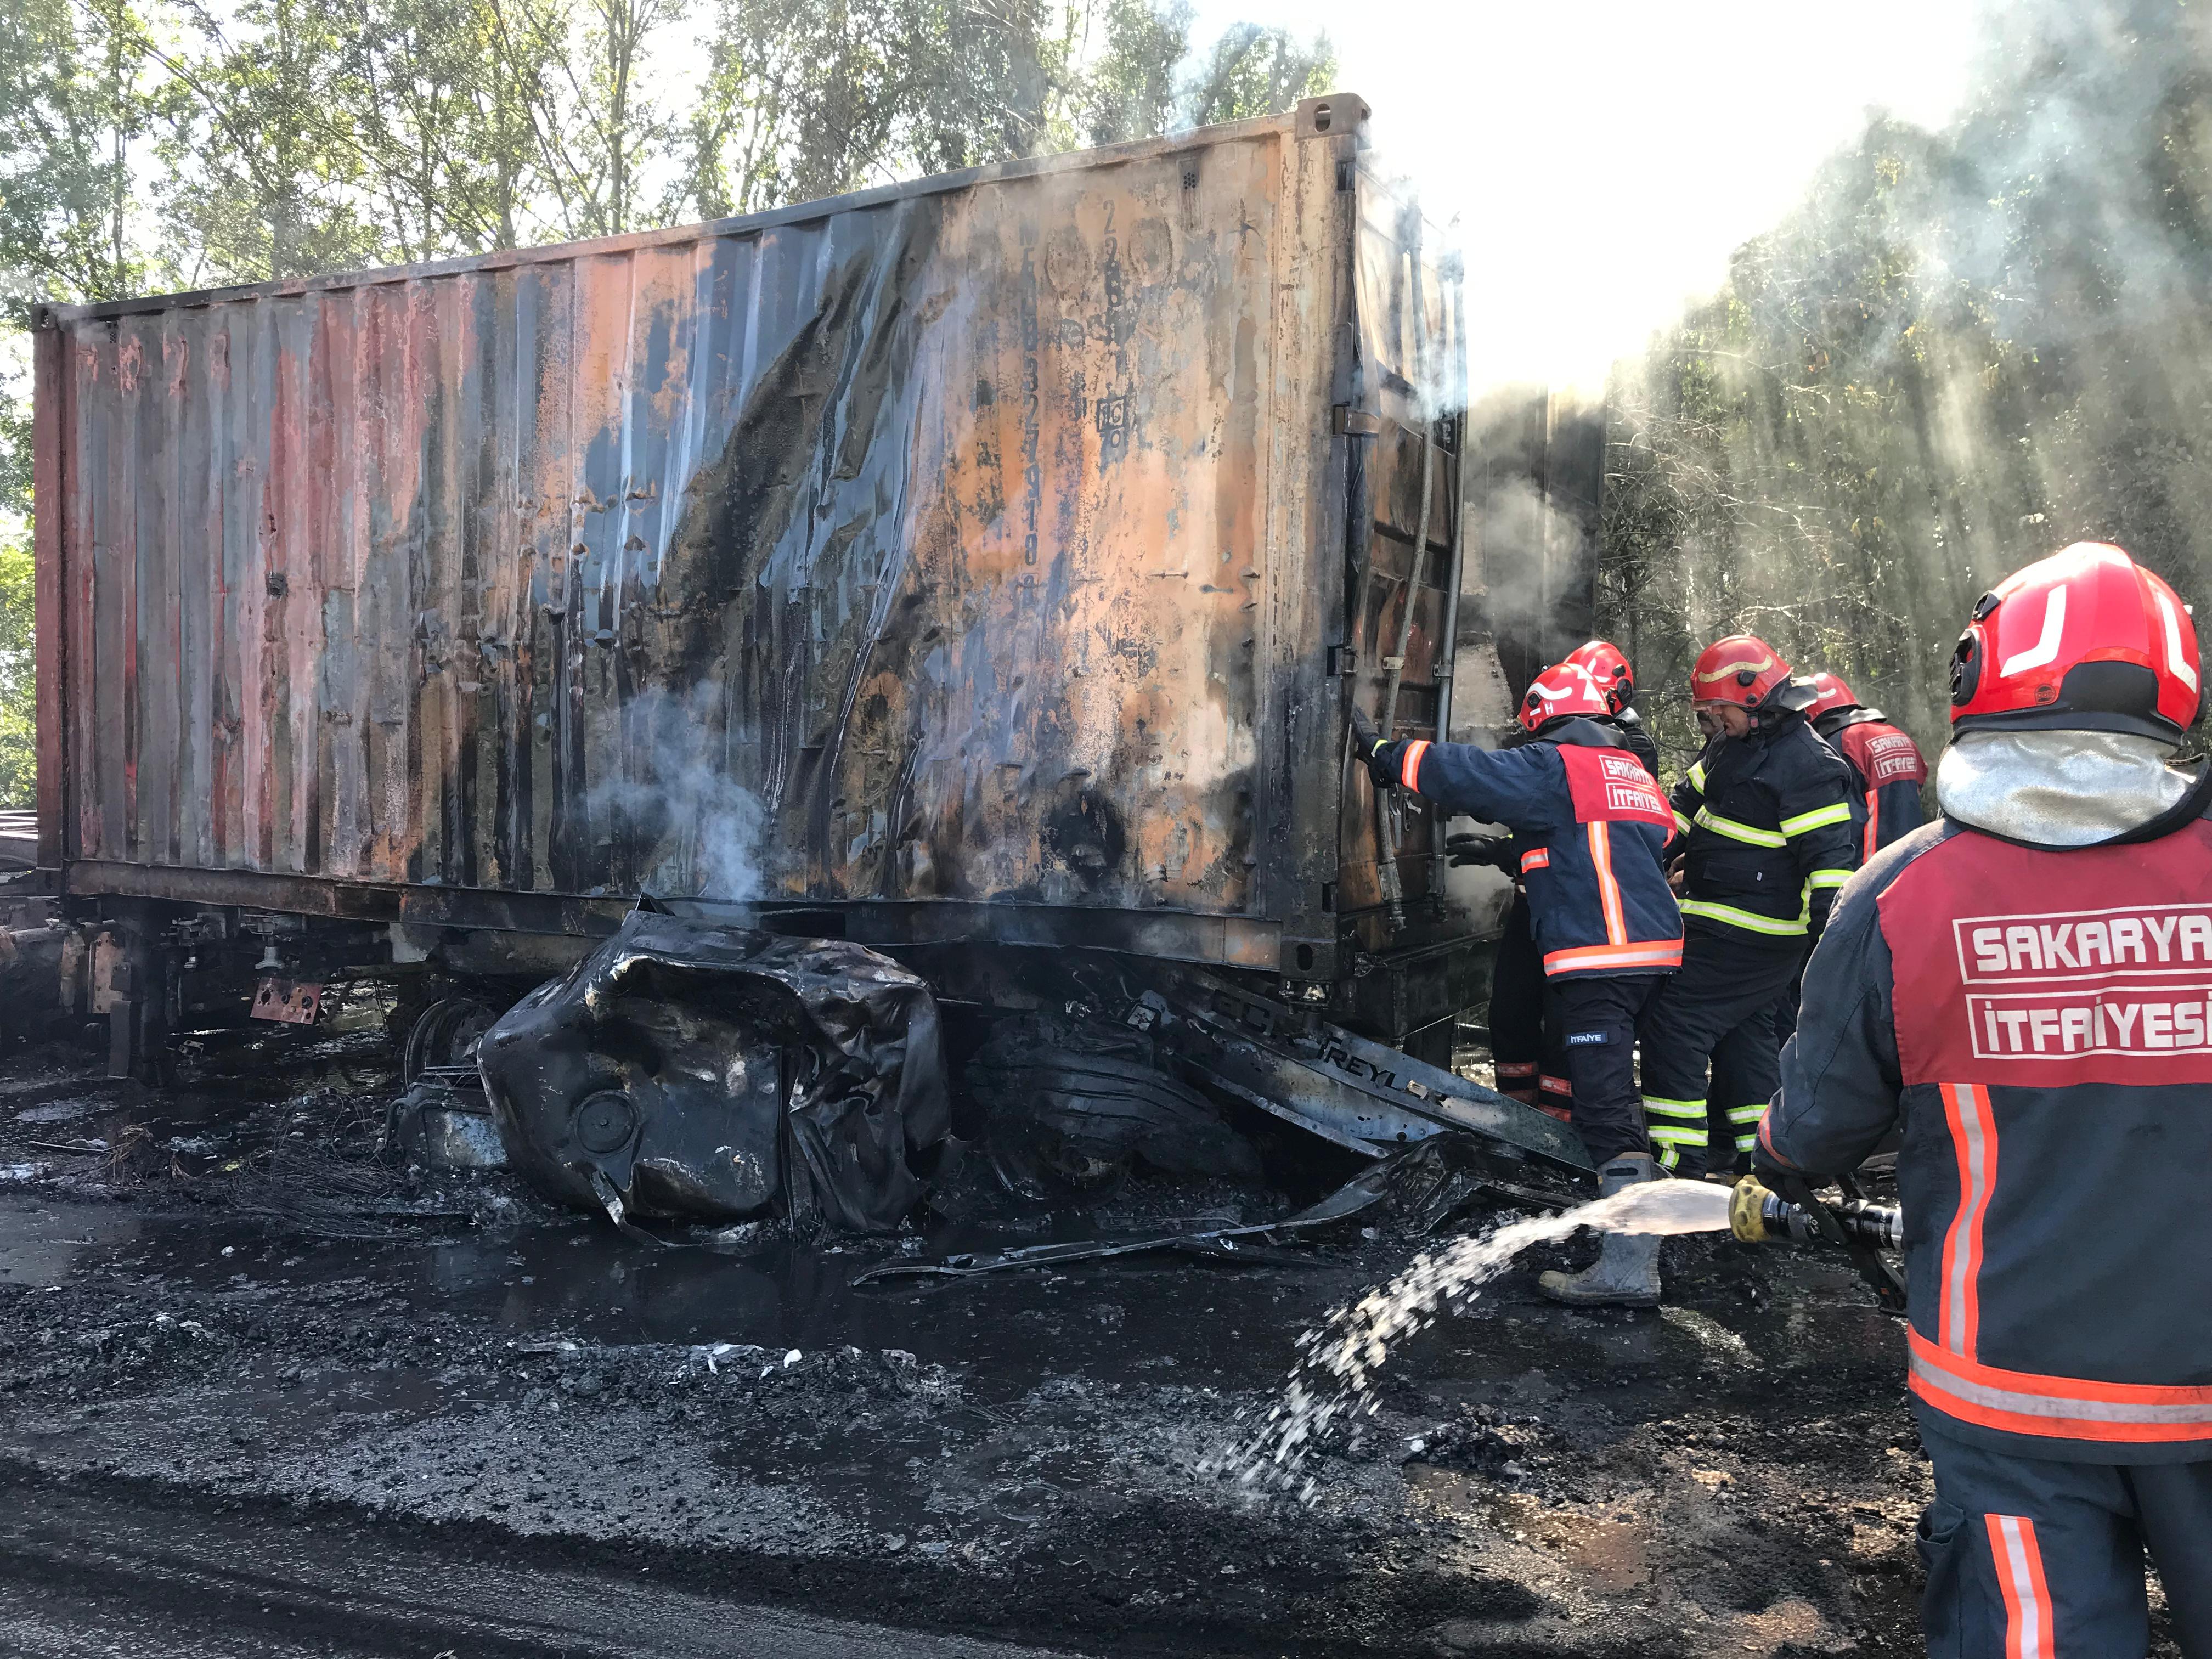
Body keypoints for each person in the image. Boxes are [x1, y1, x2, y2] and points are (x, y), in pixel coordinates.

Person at [1757, 541, 2212, 1657]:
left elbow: (1816, 1127)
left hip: (2014, 1393)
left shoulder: (1905, 894)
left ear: (1977, 675)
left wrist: (1772, 1169)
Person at [1352, 661, 1683, 1306]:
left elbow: (1469, 775)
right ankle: (1628, 1239)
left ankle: (1630, 1268)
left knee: (1606, 1108)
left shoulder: (1558, 764)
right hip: (1651, 957)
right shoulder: (1630, 772)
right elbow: (1610, 844)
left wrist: (1389, 754)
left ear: (1547, 719)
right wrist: (1513, 854)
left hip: (1603, 959)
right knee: (1611, 1098)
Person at [1637, 635, 1858, 1180]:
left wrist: (1824, 960)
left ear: (1755, 697)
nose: (1709, 720)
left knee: (1673, 1025)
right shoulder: (1729, 748)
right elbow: (1680, 812)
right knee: (1744, 1036)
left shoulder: (1809, 764)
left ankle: (1677, 1167)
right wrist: (1641, 860)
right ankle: (1754, 1164)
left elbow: (1831, 869)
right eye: (1704, 712)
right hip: (1724, 926)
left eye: (1717, 709)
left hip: (1756, 937)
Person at [1452, 640, 1661, 1122]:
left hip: (1586, 916)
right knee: (1510, 1014)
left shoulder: (1628, 750)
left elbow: (1586, 830)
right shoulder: (1569, 742)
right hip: (1540, 903)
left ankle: (1557, 1132)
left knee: (1564, 1035)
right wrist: (1506, 853)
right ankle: (1514, 1119)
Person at [1802, 670, 1929, 859]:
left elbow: (1843, 823)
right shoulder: (1898, 735)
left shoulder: (1841, 745)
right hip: (1912, 861)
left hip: (1870, 871)